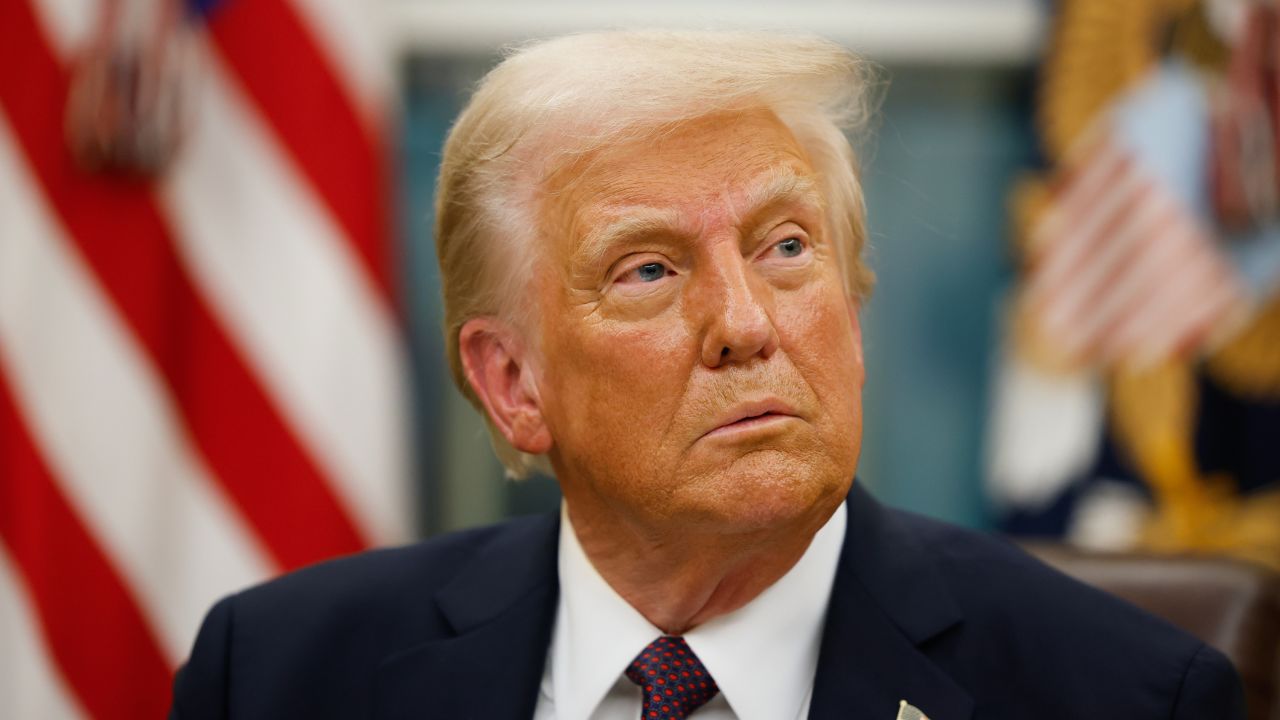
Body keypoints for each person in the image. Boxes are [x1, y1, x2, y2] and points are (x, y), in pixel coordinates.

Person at [169, 30, 1245, 720]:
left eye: (785, 249)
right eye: (647, 268)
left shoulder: (1120, 697)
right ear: (511, 384)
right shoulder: (276, 677)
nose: (743, 323)